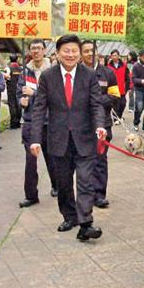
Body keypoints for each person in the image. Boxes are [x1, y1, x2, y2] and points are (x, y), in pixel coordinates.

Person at [30, 34, 107, 241]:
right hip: (58, 139)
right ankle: (69, 216)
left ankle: (86, 223)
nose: (71, 54)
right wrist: (35, 138)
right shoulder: (47, 76)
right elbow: (39, 108)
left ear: (80, 54)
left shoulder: (89, 75)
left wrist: (100, 126)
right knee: (63, 184)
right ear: (58, 53)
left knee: (85, 182)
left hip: (85, 139)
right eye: (67, 51)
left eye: (75, 50)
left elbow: (97, 104)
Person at [17, 39, 58, 208]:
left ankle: (57, 186)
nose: (36, 51)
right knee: (30, 161)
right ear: (29, 51)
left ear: (44, 50)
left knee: (52, 157)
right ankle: (31, 195)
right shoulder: (25, 72)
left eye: (39, 48)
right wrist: (22, 100)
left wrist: (33, 93)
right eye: (33, 48)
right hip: (30, 121)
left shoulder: (53, 71)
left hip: (50, 121)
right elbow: (19, 93)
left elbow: (56, 96)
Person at [81, 40, 120, 208]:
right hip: (81, 124)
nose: (90, 54)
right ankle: (85, 194)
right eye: (86, 51)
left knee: (100, 160)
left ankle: (99, 195)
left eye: (92, 50)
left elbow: (115, 95)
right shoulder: (77, 72)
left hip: (102, 123)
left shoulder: (107, 73)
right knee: (83, 161)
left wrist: (95, 101)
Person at [107, 49, 130, 122]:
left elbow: (127, 78)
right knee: (115, 105)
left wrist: (127, 88)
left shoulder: (124, 66)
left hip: (121, 89)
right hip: (112, 89)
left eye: (115, 55)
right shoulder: (108, 66)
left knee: (123, 104)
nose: (114, 57)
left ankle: (119, 116)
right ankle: (115, 119)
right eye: (112, 55)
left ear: (119, 56)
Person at [4, 54, 22, 129]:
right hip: (19, 88)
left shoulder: (8, 68)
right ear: (17, 59)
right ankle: (18, 122)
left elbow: (7, 77)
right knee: (18, 105)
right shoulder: (21, 68)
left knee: (12, 105)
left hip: (11, 88)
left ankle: (13, 123)